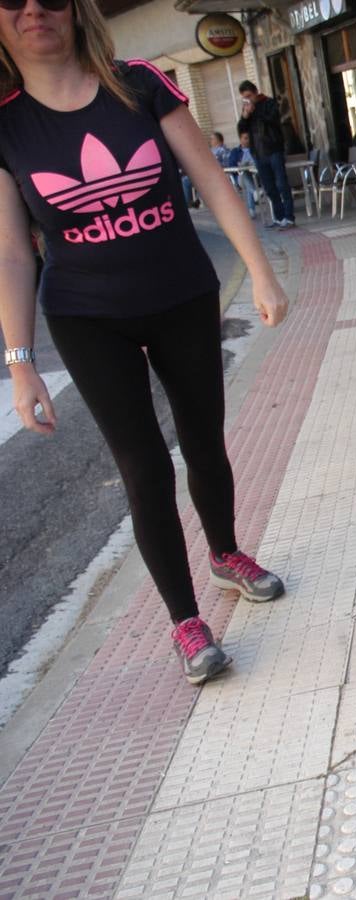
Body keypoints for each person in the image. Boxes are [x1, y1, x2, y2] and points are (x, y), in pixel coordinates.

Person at [0, 0, 291, 685]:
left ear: (78, 11)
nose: (34, 9)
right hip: (85, 316)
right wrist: (19, 364)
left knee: (203, 438)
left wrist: (260, 271)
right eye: (14, 0)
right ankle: (185, 620)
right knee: (142, 468)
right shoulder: (6, 125)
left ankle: (225, 552)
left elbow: (212, 179)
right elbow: (13, 255)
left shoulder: (137, 84)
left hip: (181, 295)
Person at [236, 79, 292, 229]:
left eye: (249, 95)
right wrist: (245, 116)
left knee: (281, 184)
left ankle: (289, 217)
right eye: (244, 97)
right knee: (269, 188)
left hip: (274, 149)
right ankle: (279, 218)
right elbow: (241, 129)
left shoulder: (269, 103)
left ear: (255, 93)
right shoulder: (248, 110)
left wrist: (256, 111)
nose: (247, 100)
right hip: (259, 153)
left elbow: (273, 120)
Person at [225, 128, 258, 218]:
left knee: (248, 184)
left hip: (256, 175)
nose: (248, 140)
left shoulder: (256, 149)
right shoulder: (235, 151)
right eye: (246, 138)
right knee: (244, 174)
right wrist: (240, 165)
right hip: (240, 178)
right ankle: (255, 192)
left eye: (249, 138)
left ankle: (252, 209)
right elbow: (231, 166)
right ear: (240, 139)